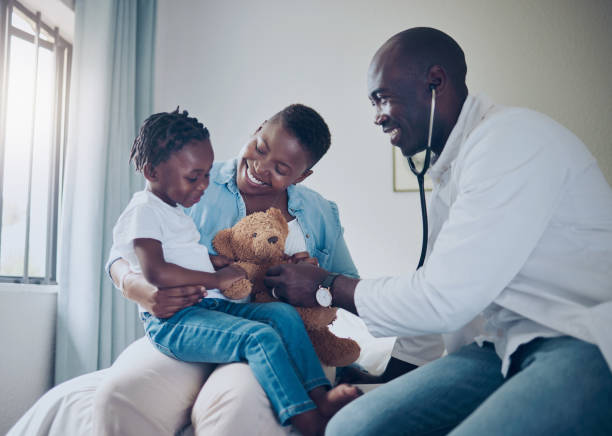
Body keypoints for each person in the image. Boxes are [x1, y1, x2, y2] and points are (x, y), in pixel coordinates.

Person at [264, 27, 612, 435]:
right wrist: (391, 383)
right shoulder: (452, 171)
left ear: (435, 82)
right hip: (500, 348)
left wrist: (326, 285)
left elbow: (444, 299)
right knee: (351, 428)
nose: (377, 116)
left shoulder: (510, 142)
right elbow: (430, 293)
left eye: (382, 98)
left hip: (576, 338)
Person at [107, 107, 360, 436]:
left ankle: (317, 402)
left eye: (281, 168)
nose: (259, 167)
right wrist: (137, 287)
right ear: (256, 129)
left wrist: (318, 283)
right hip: (193, 316)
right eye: (260, 147)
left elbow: (350, 287)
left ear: (301, 176)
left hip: (262, 323)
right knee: (120, 396)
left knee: (242, 395)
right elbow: (125, 252)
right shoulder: (192, 180)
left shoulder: (319, 212)